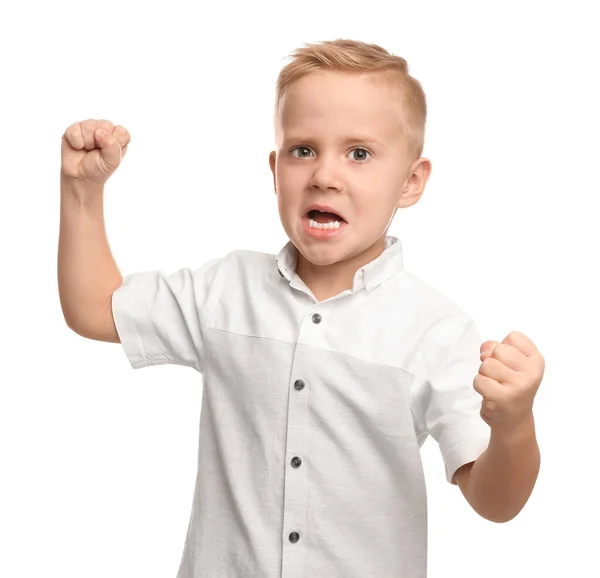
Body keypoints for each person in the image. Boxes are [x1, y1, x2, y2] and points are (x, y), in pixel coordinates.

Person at [58, 38, 545, 578]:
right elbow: (94, 309)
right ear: (274, 169)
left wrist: (515, 426)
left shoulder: (435, 329)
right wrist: (82, 192)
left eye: (358, 153)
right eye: (303, 150)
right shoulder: (227, 290)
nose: (324, 175)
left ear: (411, 182)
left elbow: (496, 502)